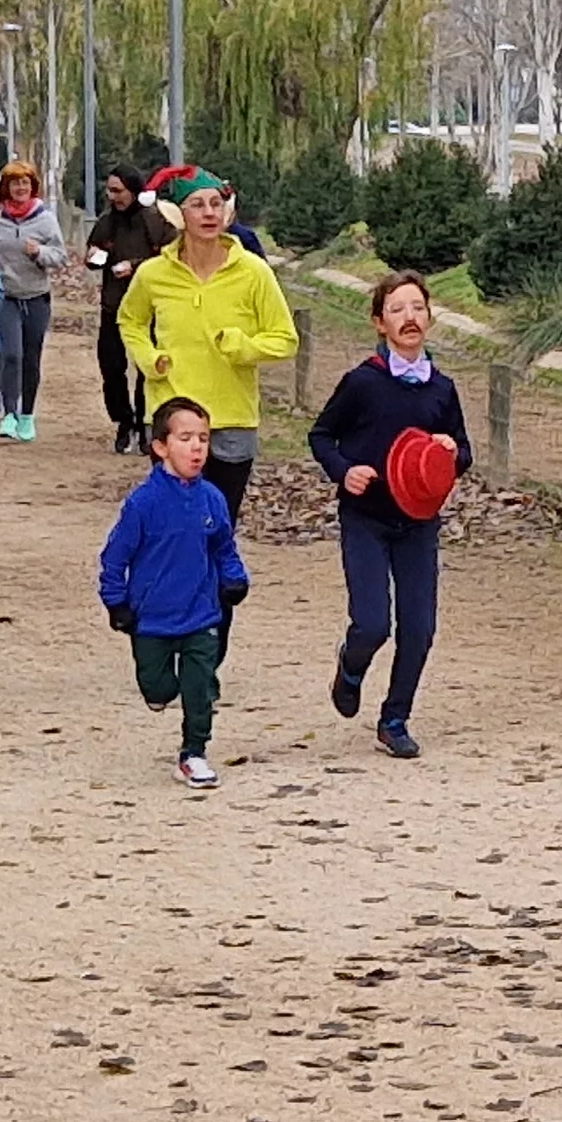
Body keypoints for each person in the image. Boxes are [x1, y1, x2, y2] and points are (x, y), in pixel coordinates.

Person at [307, 269, 472, 760]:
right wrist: (343, 470)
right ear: (379, 323)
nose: (409, 318)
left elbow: (463, 450)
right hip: (366, 516)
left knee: (419, 628)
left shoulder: (441, 388)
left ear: (430, 318)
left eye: (417, 308)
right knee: (373, 622)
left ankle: (395, 718)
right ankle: (351, 667)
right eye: (397, 310)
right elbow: (321, 435)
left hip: (419, 522)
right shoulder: (362, 383)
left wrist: (452, 451)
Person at [121, 167, 295, 516]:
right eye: (198, 205)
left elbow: (285, 339)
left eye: (216, 204)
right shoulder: (153, 274)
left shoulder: (253, 271)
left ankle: (215, 574)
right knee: (176, 523)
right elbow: (130, 321)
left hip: (233, 418)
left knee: (219, 525)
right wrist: (149, 358)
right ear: (178, 215)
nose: (209, 213)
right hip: (173, 415)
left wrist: (243, 346)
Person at [100, 395, 249, 789]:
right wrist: (116, 602)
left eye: (203, 437)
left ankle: (194, 752)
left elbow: (223, 546)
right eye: (185, 438)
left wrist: (234, 578)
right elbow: (115, 557)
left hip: (201, 613)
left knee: (199, 684)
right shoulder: (143, 504)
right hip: (150, 617)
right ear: (161, 446)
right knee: (159, 686)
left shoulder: (212, 498)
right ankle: (162, 690)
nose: (197, 447)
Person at [0, 162, 67, 442]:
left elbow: (60, 257)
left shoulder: (45, 219)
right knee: (11, 354)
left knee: (31, 359)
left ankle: (27, 416)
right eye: (15, 183)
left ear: (33, 188)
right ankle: (9, 415)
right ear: (6, 188)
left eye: (26, 183)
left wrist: (39, 252)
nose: (20, 188)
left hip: (36, 298)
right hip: (6, 297)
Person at [84, 169, 162, 452]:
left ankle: (145, 423)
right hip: (114, 306)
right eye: (109, 190)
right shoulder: (107, 221)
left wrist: (136, 266)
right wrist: (94, 258)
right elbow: (94, 251)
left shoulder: (154, 220)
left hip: (150, 308)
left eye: (118, 191)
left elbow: (170, 255)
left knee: (146, 367)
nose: (112, 196)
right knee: (112, 367)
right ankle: (123, 420)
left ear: (133, 190)